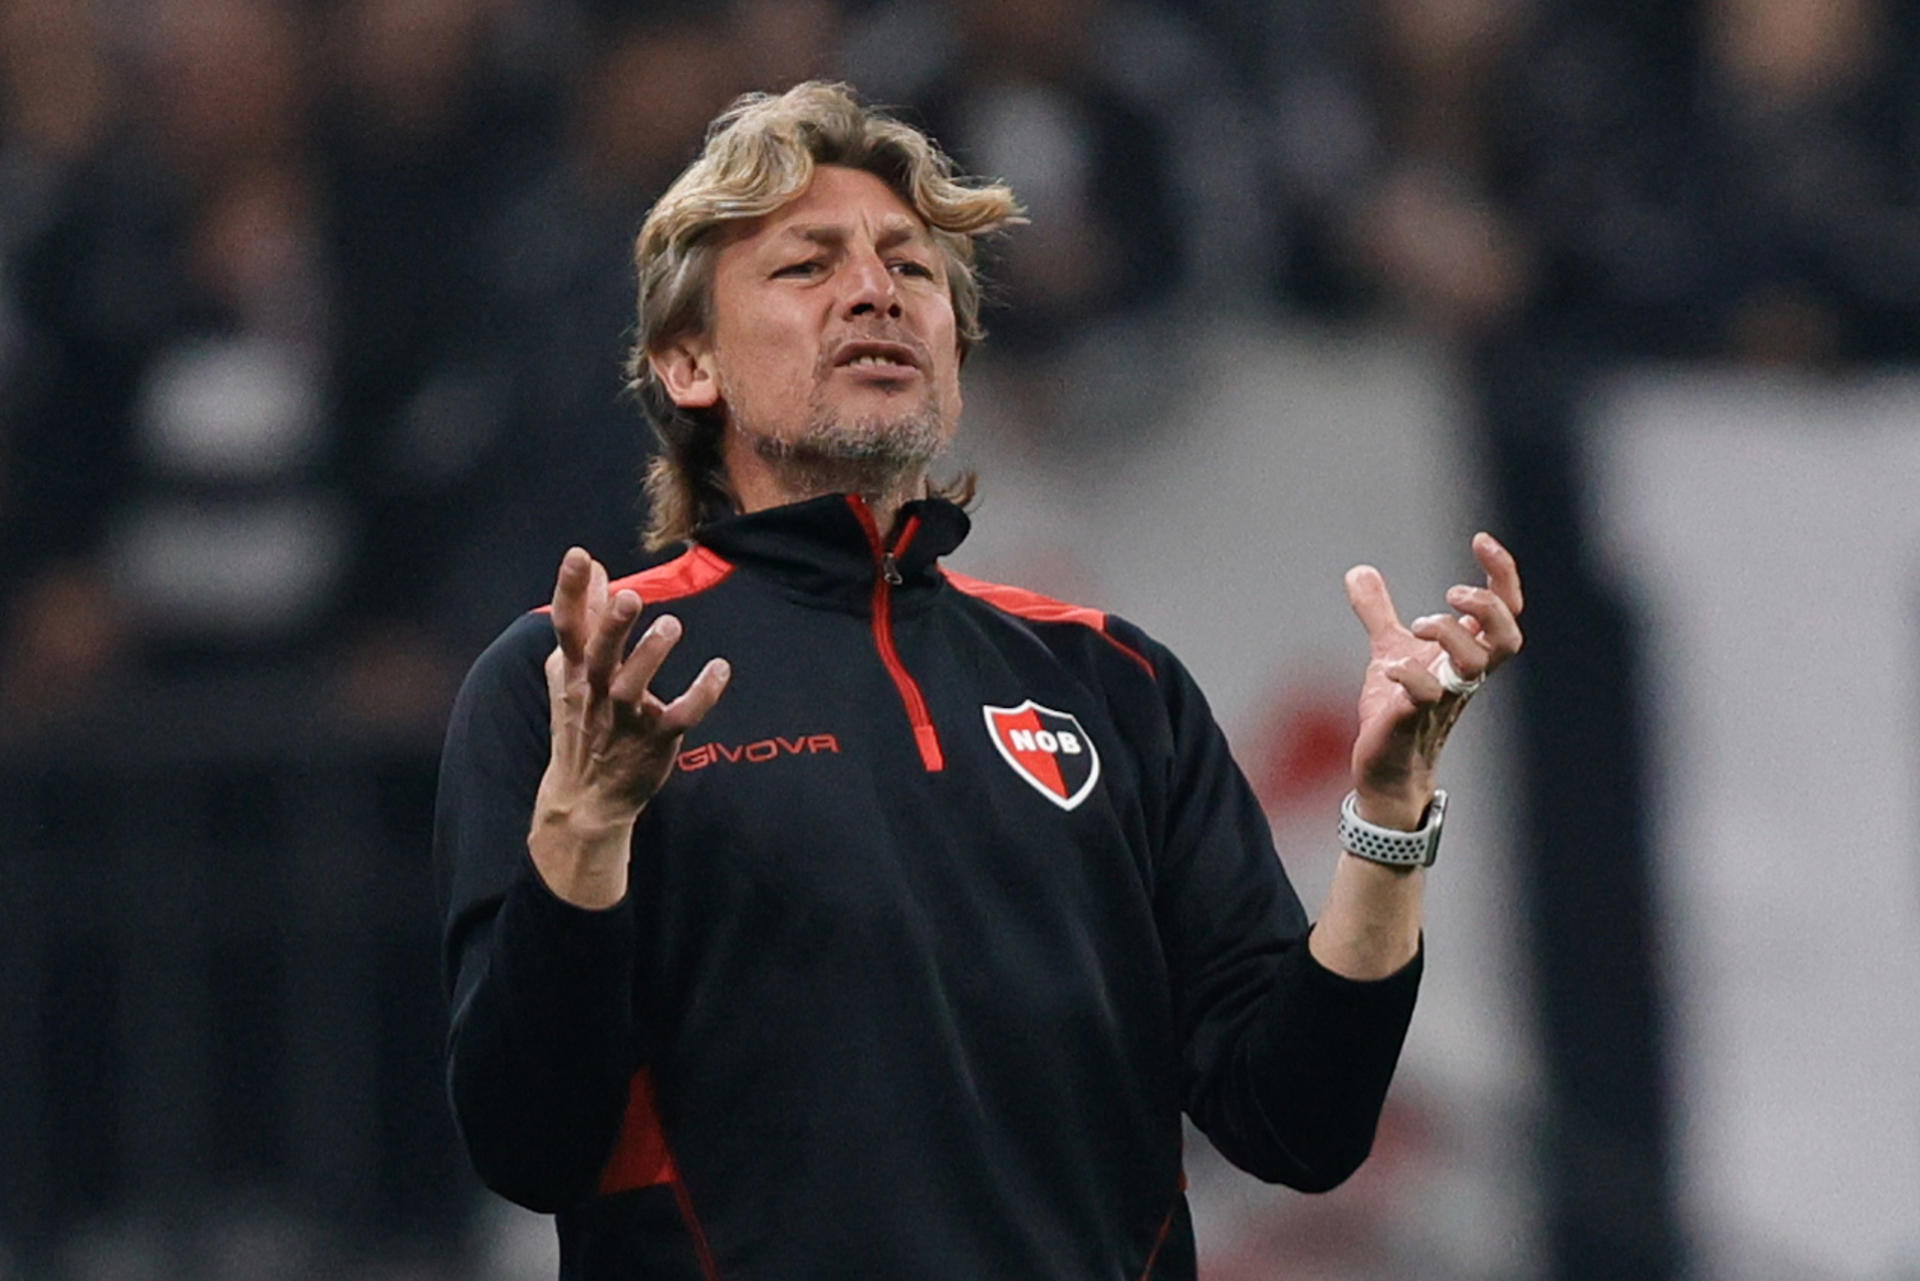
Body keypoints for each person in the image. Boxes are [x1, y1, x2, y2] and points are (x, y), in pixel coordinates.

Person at [434, 81, 1524, 1280]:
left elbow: (1299, 1124)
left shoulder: (1117, 684)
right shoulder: (575, 682)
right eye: (806, 266)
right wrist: (585, 837)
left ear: (953, 353)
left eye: (911, 267)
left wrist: (1387, 822)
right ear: (690, 362)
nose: (876, 292)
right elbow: (529, 1143)